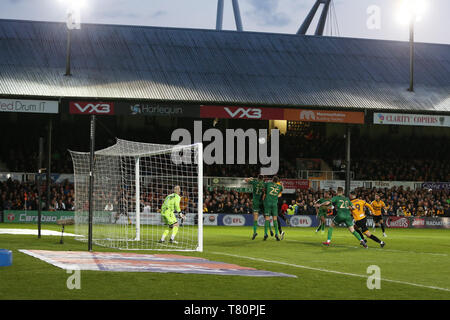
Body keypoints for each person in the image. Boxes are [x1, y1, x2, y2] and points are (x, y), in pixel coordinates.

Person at [262, 176, 284, 241]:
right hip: (274, 204)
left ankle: (266, 234)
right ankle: (276, 234)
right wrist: (282, 184)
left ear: (272, 180)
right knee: (275, 219)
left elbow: (263, 187)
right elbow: (282, 189)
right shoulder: (279, 186)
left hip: (268, 203)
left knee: (267, 219)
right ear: (277, 181)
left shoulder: (268, 184)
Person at [245, 175, 265, 240]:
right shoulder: (264, 184)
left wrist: (250, 178)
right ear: (262, 179)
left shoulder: (254, 182)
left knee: (255, 218)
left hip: (256, 202)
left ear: (258, 178)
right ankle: (267, 233)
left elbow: (245, 180)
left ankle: (255, 232)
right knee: (266, 217)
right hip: (262, 202)